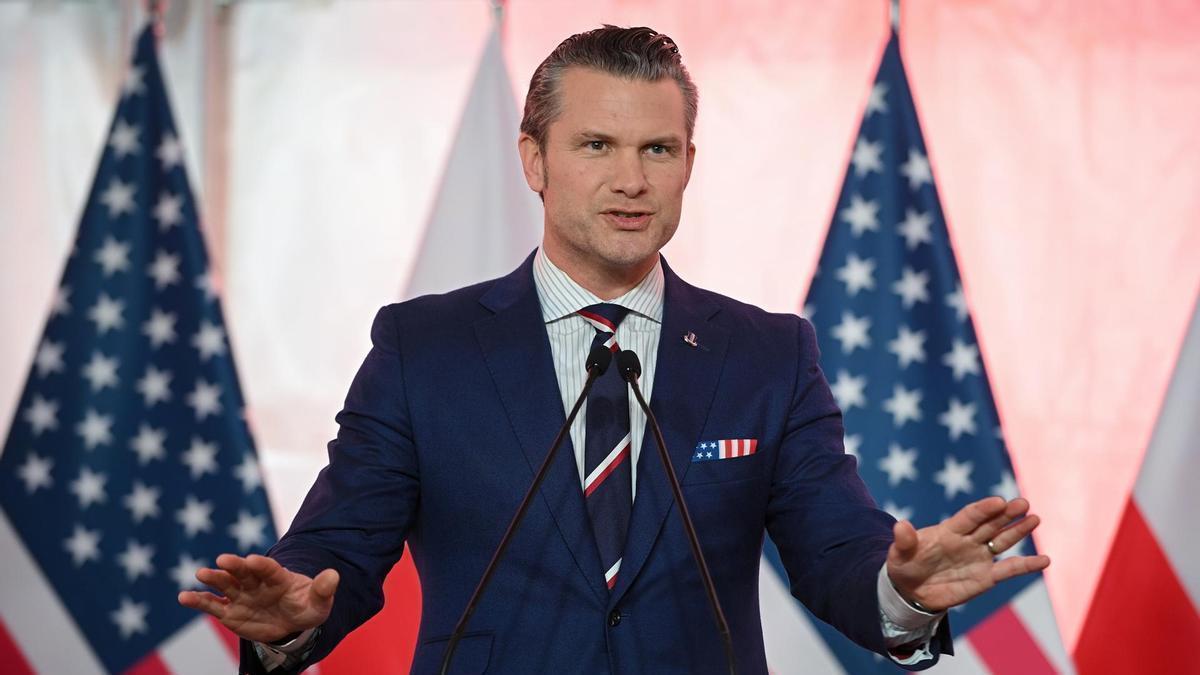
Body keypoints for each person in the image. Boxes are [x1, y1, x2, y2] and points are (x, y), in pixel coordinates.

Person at [179, 26, 1049, 674]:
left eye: (657, 149)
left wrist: (901, 593)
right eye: (596, 145)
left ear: (688, 163)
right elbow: (339, 547)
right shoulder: (423, 348)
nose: (631, 180)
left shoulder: (768, 355)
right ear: (534, 158)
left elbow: (837, 551)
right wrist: (292, 610)